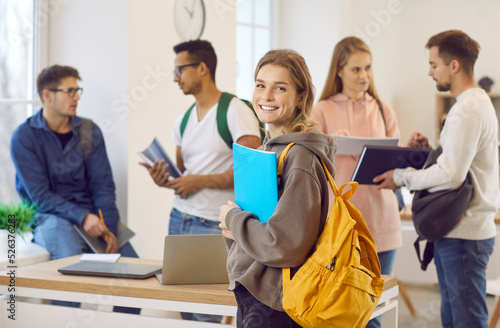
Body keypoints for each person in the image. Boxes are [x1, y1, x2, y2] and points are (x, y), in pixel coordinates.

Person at [375, 30, 499, 328]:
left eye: (434, 64)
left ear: (454, 66)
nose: (430, 72)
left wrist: (401, 176)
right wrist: (428, 152)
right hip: (461, 233)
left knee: (466, 321)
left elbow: (451, 175)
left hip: (463, 234)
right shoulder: (474, 104)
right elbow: (458, 164)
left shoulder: (466, 109)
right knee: (455, 318)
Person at [140, 39, 261, 323]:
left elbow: (250, 172)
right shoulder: (182, 120)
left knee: (209, 310)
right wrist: (165, 180)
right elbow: (184, 174)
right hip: (179, 218)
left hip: (213, 224)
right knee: (185, 308)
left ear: (203, 68)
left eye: (180, 69)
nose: (175, 77)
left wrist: (198, 181)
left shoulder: (235, 111)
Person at [219, 49, 336, 327]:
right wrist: (233, 225)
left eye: (279, 88)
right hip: (255, 290)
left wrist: (234, 220)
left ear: (301, 98)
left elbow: (285, 244)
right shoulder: (265, 151)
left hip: (276, 302)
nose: (266, 96)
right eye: (260, 85)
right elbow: (263, 224)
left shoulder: (300, 157)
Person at [10, 64, 138, 313]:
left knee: (135, 270)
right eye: (70, 91)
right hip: (50, 217)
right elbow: (39, 197)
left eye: (78, 90)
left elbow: (103, 186)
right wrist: (82, 217)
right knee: (70, 264)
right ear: (47, 95)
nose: (77, 96)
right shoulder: (24, 137)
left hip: (91, 215)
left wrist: (108, 227)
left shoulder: (90, 131)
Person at [310, 36, 401, 328]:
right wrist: (334, 146)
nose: (364, 76)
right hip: (341, 225)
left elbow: (396, 171)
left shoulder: (384, 109)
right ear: (339, 70)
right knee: (345, 310)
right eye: (356, 70)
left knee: (373, 307)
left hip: (383, 220)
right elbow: (311, 167)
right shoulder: (321, 110)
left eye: (368, 68)